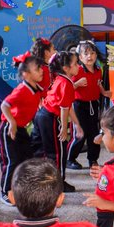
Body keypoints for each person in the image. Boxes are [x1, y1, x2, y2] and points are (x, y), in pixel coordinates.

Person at [0, 55, 47, 197]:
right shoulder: (21, 89)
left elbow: (38, 101)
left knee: (27, 159)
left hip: (21, 129)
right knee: (12, 161)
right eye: (37, 69)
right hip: (9, 128)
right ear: (26, 74)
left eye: (41, 67)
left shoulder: (37, 88)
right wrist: (12, 122)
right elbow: (4, 105)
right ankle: (6, 193)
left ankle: (22, 188)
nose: (41, 71)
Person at [35, 50, 82, 192]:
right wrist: (63, 129)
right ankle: (58, 183)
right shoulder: (66, 83)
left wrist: (77, 124)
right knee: (57, 152)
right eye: (75, 64)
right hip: (50, 118)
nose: (78, 66)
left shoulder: (62, 79)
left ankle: (46, 180)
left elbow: (68, 106)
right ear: (66, 68)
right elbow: (64, 108)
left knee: (46, 151)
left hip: (42, 115)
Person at [67, 41, 107, 170]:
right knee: (80, 134)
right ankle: (70, 159)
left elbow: (98, 86)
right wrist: (77, 83)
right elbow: (68, 88)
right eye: (86, 53)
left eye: (92, 53)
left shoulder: (98, 70)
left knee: (94, 133)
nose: (90, 56)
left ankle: (93, 160)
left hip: (94, 105)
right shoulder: (77, 71)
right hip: (79, 105)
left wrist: (104, 92)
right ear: (80, 57)